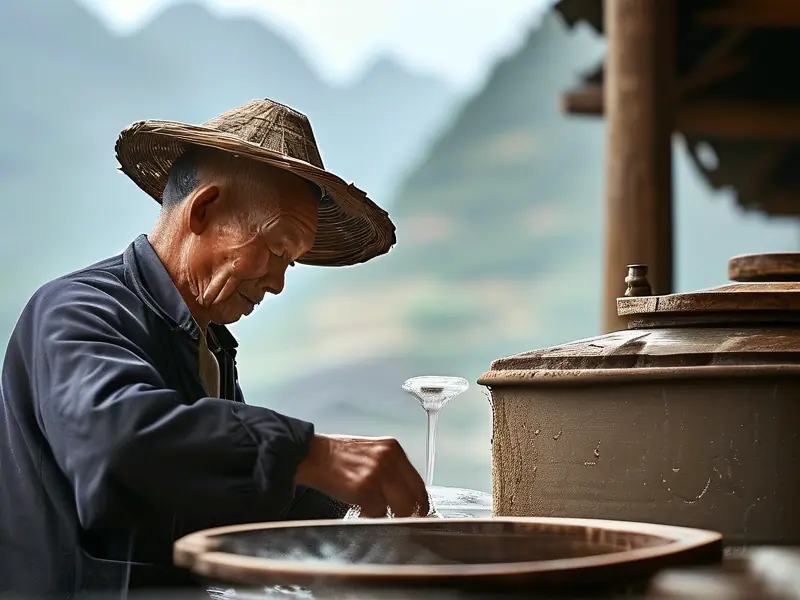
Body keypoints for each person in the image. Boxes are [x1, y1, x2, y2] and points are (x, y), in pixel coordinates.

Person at [0, 99, 429, 597]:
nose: (277, 283)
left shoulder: (208, 346)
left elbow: (214, 484)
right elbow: (120, 439)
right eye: (275, 250)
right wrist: (310, 453)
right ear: (204, 209)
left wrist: (354, 504)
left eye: (290, 263)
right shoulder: (77, 309)